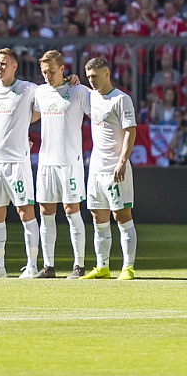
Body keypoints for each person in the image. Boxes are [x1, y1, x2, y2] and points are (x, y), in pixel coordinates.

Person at [0, 48, 41, 279]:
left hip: (17, 161)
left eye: (4, 63)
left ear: (15, 66)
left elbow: (45, 104)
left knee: (25, 211)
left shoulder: (28, 89)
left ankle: (32, 266)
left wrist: (22, 127)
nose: (0, 67)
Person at [33, 50, 91, 279]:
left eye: (51, 71)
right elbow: (30, 115)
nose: (47, 76)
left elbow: (96, 115)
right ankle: (48, 267)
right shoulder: (40, 92)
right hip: (46, 161)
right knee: (46, 211)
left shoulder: (78, 91)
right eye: (44, 72)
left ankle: (79, 266)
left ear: (62, 69)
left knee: (71, 210)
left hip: (70, 162)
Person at [81, 57, 138, 281]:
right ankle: (102, 267)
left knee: (122, 216)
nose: (92, 81)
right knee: (98, 217)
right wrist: (77, 81)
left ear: (107, 74)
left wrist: (122, 161)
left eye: (95, 76)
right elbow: (82, 89)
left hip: (116, 168)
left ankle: (128, 267)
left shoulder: (121, 99)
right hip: (95, 168)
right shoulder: (92, 96)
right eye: (89, 77)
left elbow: (130, 131)